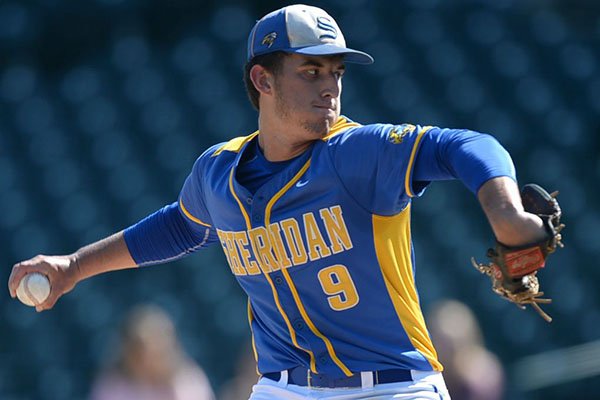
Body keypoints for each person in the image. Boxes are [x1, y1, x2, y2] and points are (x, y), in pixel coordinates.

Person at [9, 4, 553, 399]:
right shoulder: (217, 171)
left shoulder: (355, 152)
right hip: (284, 390)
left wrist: (503, 209)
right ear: (261, 79)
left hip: (392, 388)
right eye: (311, 71)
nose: (330, 87)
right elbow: (181, 227)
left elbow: (467, 145)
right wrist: (74, 266)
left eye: (336, 72)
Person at [89, 304, 215, 400]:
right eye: (138, 351)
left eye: (156, 350)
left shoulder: (188, 381)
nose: (147, 360)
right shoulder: (111, 383)